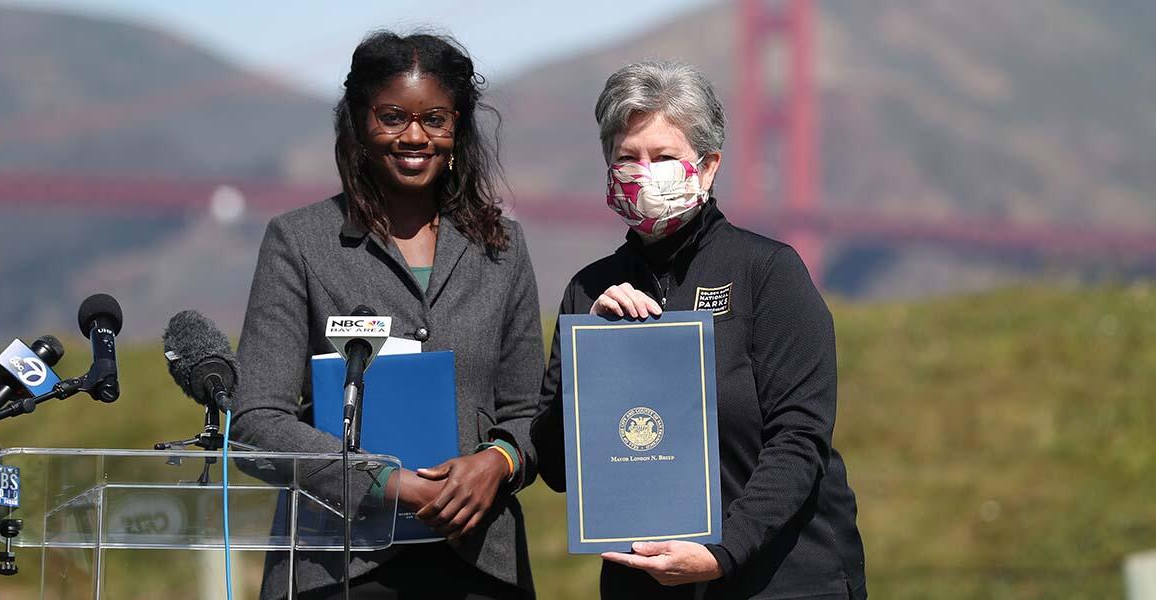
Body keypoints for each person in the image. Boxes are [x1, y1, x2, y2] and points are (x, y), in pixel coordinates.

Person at [531, 60, 867, 599]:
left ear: (707, 168)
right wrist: (586, 360)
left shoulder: (768, 273)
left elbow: (800, 439)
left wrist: (722, 552)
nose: (643, 173)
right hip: (644, 584)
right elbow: (558, 469)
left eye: (663, 158)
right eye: (626, 158)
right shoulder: (589, 291)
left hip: (780, 579)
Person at [232, 31, 543, 600]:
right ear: (358, 124)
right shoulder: (297, 242)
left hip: (479, 563)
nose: (415, 136)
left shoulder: (504, 249)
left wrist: (495, 462)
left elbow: (529, 413)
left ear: (458, 128)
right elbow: (255, 422)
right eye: (393, 116)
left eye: (436, 119)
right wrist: (384, 481)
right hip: (337, 567)